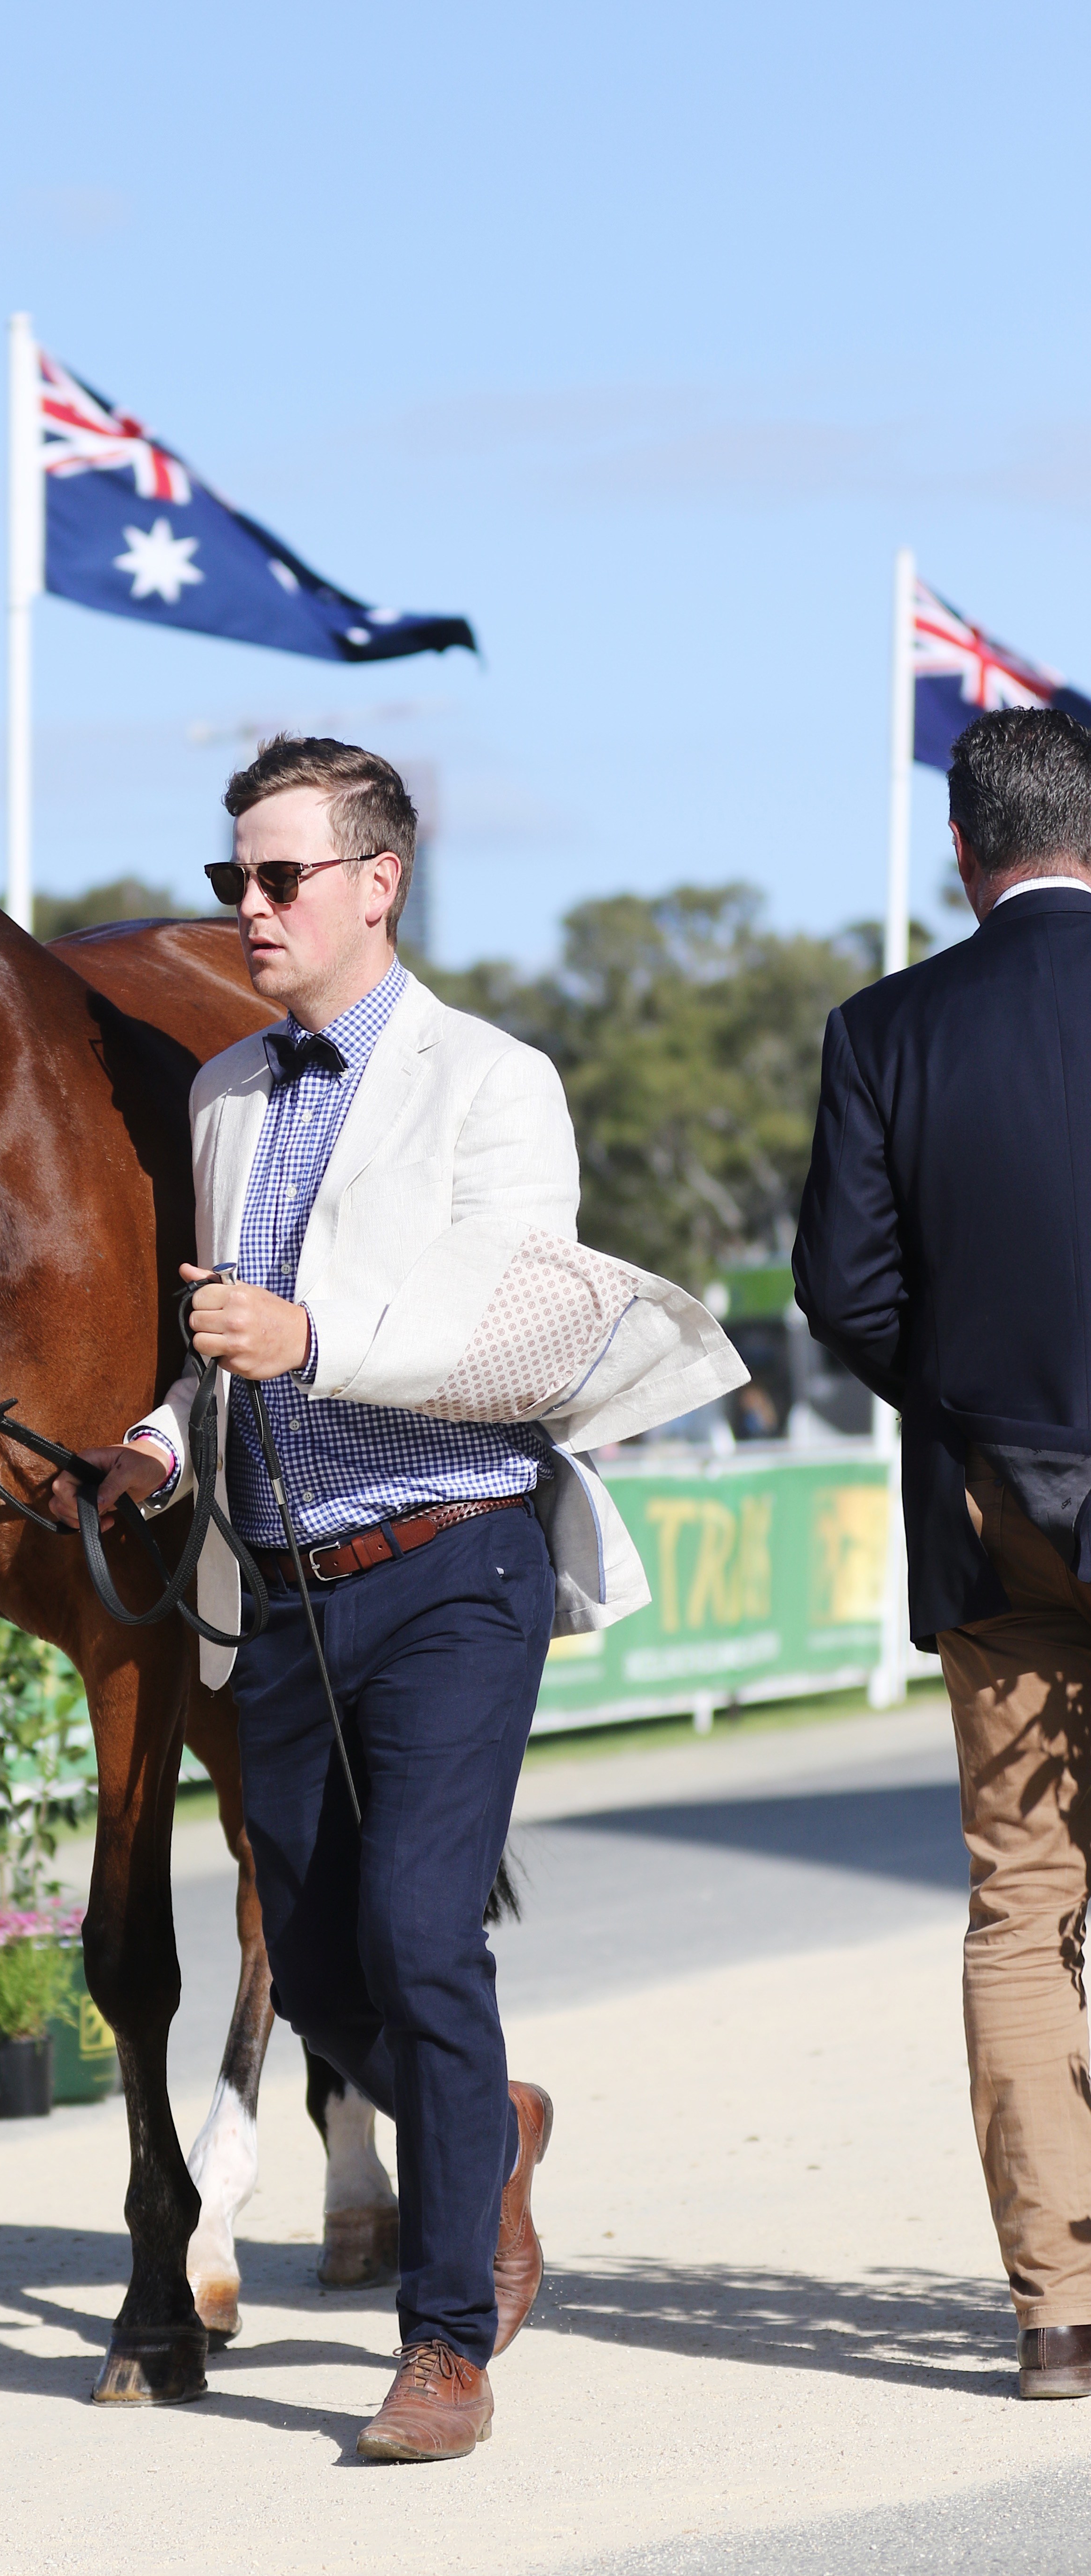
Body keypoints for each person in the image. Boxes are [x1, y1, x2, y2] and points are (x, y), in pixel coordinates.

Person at [52, 735, 741, 2462]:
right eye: (235, 879)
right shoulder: (220, 1099)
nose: (251, 908)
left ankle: (445, 2347)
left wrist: (310, 1343)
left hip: (451, 1568)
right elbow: (231, 1346)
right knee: (319, 1961)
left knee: (424, 1937)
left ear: (381, 882)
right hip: (275, 1588)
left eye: (281, 877)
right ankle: (484, 2124)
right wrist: (158, 1437)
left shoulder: (496, 1084)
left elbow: (503, 1335)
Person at [794, 704, 1091, 2400]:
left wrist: (963, 1400)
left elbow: (846, 1290)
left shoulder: (881, 1029)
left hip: (990, 1513)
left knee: (1023, 1907)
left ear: (963, 856)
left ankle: (1057, 2310)